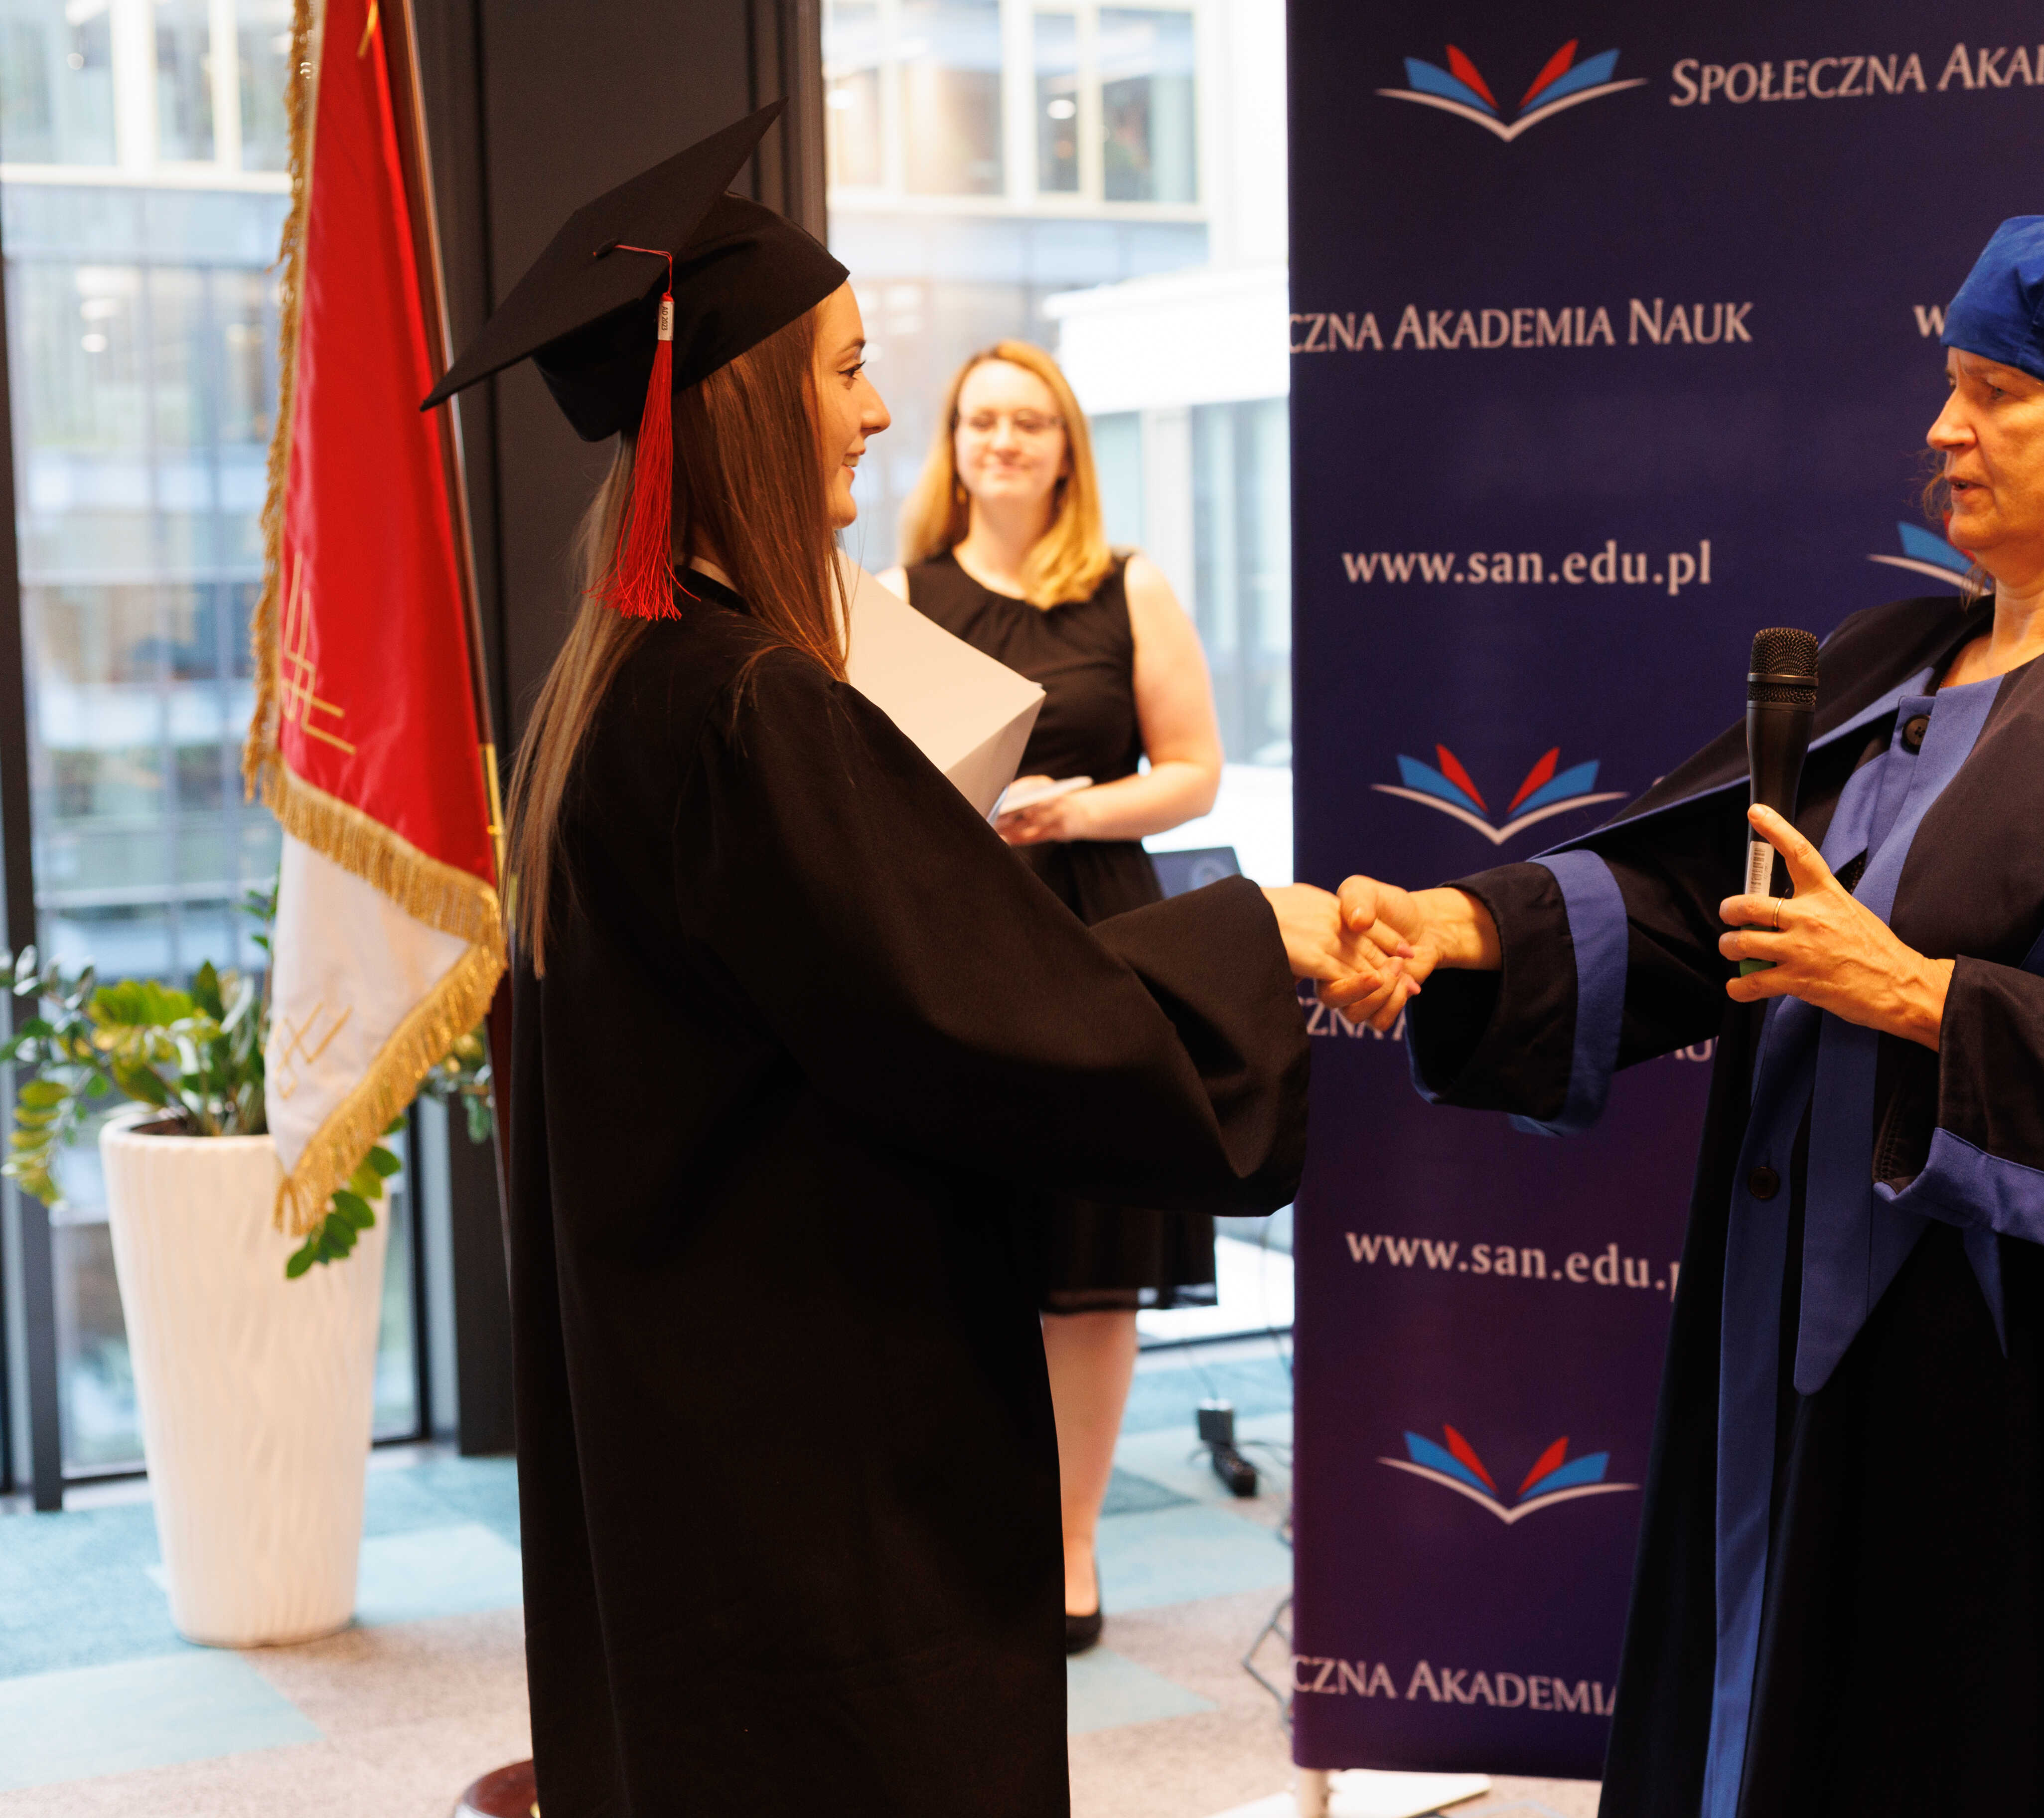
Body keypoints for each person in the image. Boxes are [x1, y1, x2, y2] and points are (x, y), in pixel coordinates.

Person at [420, 108, 1399, 1811]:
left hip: (697, 1392)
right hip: (820, 1433)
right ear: (746, 399)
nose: (880, 412)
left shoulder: (618, 685)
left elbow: (905, 973)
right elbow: (974, 1017)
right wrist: (1262, 935)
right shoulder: (751, 707)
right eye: (850, 369)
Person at [1333, 220, 2044, 1816]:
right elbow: (1698, 899)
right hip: (1773, 1321)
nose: (1943, 429)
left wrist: (1920, 996)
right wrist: (1461, 927)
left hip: (1995, 1360)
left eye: (1997, 395)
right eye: (1949, 387)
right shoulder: (1891, 660)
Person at [876, 342, 1224, 1654]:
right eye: (982, 422)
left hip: (1098, 935)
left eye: (1030, 422)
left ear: (1068, 447)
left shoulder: (1130, 586)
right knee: (959, 1246)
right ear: (953, 447)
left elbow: (1194, 771)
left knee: (1092, 1262)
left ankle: (1072, 1543)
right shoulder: (898, 598)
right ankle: (966, 1542)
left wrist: (1074, 809)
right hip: (955, 939)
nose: (1005, 442)